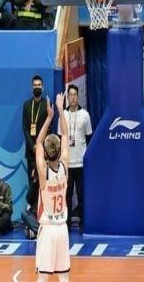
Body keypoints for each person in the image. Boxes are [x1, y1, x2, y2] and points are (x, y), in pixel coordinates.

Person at [35, 93, 70, 281]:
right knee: (64, 276)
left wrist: (49, 117)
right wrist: (60, 110)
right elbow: (65, 135)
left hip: (48, 229)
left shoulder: (43, 173)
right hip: (62, 229)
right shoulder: (65, 166)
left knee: (43, 277)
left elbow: (38, 142)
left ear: (47, 154)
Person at [58, 85, 92, 232]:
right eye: (70, 95)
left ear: (78, 97)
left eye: (74, 95)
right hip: (66, 163)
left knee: (81, 193)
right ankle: (66, 223)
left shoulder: (85, 115)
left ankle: (83, 224)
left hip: (80, 162)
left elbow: (89, 138)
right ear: (67, 97)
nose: (72, 98)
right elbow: (60, 138)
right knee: (67, 194)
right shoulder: (63, 115)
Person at [22, 75, 50, 210]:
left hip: (43, 152)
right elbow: (25, 128)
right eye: (35, 85)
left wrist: (40, 147)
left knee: (43, 181)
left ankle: (43, 210)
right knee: (32, 181)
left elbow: (49, 128)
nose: (37, 87)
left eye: (39, 85)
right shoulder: (27, 105)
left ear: (42, 87)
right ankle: (32, 210)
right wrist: (32, 145)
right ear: (32, 87)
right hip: (30, 151)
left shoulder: (47, 104)